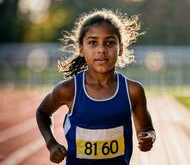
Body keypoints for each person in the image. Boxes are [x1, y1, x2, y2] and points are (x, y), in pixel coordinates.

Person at [36, 9, 156, 165]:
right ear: (81, 48)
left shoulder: (132, 91)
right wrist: (51, 143)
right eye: (93, 42)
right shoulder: (69, 90)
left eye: (109, 42)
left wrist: (148, 138)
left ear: (120, 48)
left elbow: (147, 129)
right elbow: (42, 112)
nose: (101, 49)